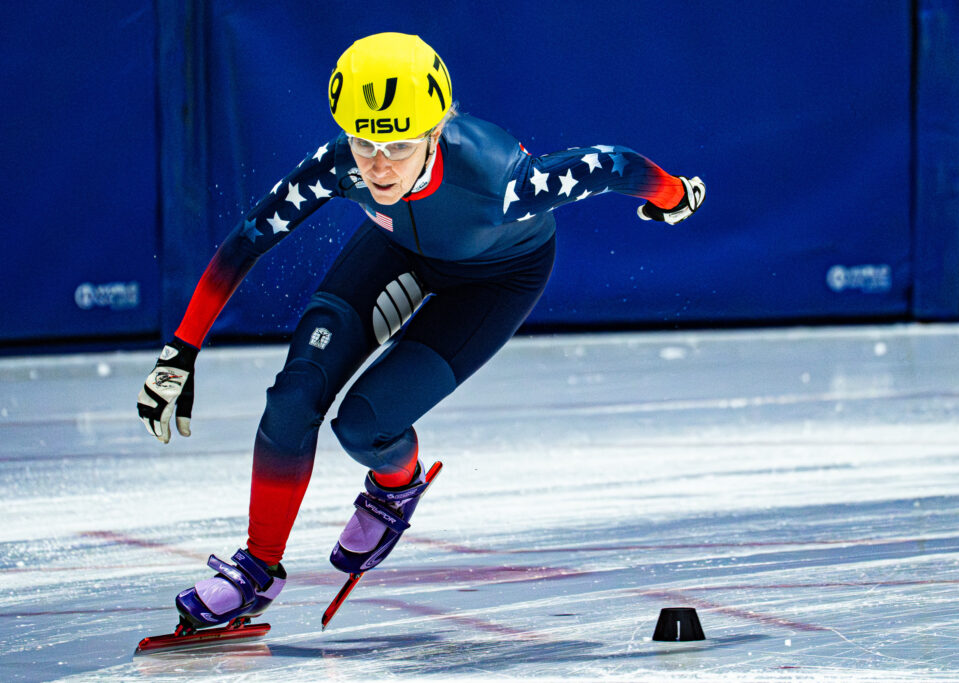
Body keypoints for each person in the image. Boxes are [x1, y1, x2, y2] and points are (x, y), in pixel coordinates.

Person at [137, 32, 705, 631]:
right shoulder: (339, 165)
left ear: (436, 133)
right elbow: (249, 240)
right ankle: (257, 567)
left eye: (400, 146)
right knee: (292, 398)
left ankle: (396, 486)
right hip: (397, 250)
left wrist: (675, 195)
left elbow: (610, 165)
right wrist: (181, 351)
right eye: (364, 143)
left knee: (363, 425)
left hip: (495, 279)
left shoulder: (500, 181)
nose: (379, 166)